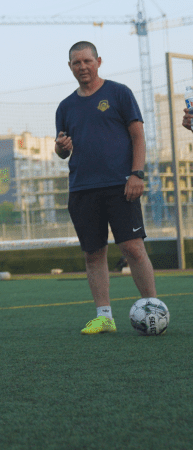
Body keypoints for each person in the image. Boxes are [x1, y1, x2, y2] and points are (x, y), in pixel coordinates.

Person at [55, 41, 157, 335]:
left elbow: (138, 136)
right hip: (82, 189)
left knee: (133, 248)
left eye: (87, 61)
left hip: (121, 185)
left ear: (98, 61)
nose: (82, 67)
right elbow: (63, 152)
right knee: (93, 253)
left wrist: (136, 174)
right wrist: (60, 148)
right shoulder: (65, 107)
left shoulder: (119, 93)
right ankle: (104, 317)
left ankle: (152, 309)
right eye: (76, 62)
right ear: (70, 67)